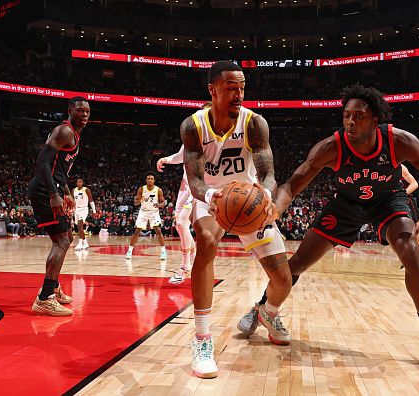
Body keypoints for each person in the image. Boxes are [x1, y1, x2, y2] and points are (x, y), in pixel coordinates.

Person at [238, 84, 419, 370]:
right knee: (299, 262)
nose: (351, 122)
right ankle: (262, 308)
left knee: (411, 252)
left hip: (388, 200)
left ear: (375, 119)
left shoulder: (399, 141)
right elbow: (293, 185)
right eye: (346, 116)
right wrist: (276, 206)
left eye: (359, 116)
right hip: (345, 204)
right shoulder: (331, 147)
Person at [180, 60, 293, 378]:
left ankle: (267, 313)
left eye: (242, 87)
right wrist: (211, 198)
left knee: (283, 280)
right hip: (214, 200)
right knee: (205, 239)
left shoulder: (255, 123)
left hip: (250, 200)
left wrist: (267, 195)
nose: (238, 93)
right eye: (231, 88)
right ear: (212, 90)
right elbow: (195, 179)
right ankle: (202, 340)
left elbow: (269, 173)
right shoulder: (194, 126)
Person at [28, 96, 90, 316]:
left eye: (87, 112)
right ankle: (45, 298)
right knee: (62, 240)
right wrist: (54, 194)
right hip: (45, 190)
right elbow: (42, 162)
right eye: (80, 110)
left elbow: (59, 169)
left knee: (66, 238)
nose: (84, 114)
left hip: (53, 188)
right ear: (70, 110)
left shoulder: (74, 134)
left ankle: (52, 287)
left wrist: (66, 192)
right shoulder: (64, 131)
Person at [157, 145, 197, 284]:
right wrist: (166, 159)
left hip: (198, 187)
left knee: (181, 222)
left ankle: (185, 267)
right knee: (180, 226)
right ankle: (194, 257)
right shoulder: (190, 137)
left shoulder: (210, 139)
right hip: (184, 187)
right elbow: (181, 156)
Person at [125, 172, 168, 261]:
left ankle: (163, 252)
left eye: (151, 179)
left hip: (154, 212)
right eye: (148, 179)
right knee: (137, 231)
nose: (150, 180)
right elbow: (136, 202)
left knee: (158, 230)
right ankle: (129, 251)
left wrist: (159, 205)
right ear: (146, 180)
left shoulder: (158, 190)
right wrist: (137, 200)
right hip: (143, 211)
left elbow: (163, 202)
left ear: (154, 180)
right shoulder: (141, 189)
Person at [72, 178, 95, 250]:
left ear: (82, 183)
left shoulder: (86, 190)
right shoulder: (73, 190)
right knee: (78, 226)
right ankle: (85, 243)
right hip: (76, 209)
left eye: (80, 181)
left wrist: (94, 211)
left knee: (80, 225)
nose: (79, 182)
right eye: (78, 181)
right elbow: (72, 201)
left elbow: (91, 200)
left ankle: (80, 243)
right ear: (76, 183)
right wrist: (71, 210)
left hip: (84, 209)